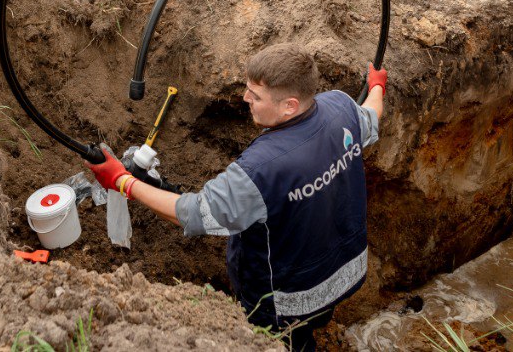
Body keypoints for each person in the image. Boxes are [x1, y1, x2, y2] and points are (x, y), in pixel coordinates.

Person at [88, 44, 387, 351]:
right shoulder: (341, 107)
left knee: (286, 344)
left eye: (255, 96)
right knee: (317, 319)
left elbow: (190, 213)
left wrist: (122, 181)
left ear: (289, 105)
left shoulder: (261, 170)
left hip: (285, 301)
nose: (245, 99)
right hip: (346, 272)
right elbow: (372, 114)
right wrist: (377, 85)